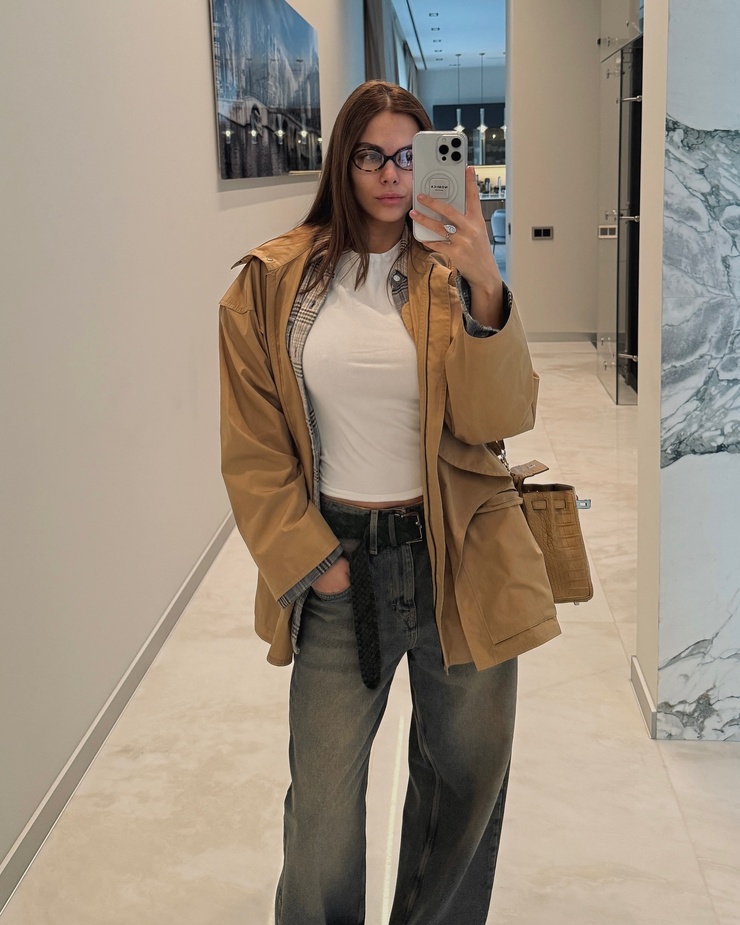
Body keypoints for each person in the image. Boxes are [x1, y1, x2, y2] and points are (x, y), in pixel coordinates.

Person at [219, 80, 560, 925]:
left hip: (460, 556)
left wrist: (485, 282)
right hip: (340, 569)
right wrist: (316, 564)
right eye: (371, 155)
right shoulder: (273, 281)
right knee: (322, 813)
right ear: (343, 161)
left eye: (411, 156)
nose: (392, 174)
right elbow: (253, 449)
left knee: (464, 786)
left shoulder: (452, 275)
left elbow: (498, 417)